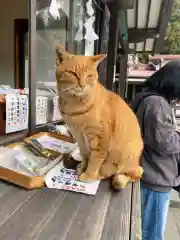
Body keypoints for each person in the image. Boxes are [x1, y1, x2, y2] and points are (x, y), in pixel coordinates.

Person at [131, 60, 180, 240]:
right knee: (152, 234)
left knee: (148, 230)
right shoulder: (156, 103)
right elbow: (164, 143)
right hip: (155, 178)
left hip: (150, 173)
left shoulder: (147, 98)